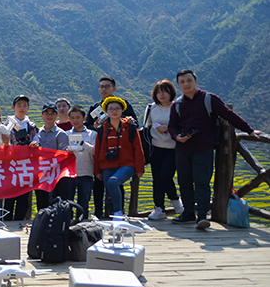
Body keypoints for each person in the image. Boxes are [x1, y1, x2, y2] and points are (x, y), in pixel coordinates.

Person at [169, 69, 263, 228]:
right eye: (182, 82)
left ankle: (202, 216)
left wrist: (249, 130)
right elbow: (172, 126)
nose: (186, 84)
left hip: (203, 148)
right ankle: (188, 213)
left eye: (189, 80)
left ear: (196, 81)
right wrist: (177, 136)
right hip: (182, 149)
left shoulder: (209, 99)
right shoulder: (177, 104)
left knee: (202, 182)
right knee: (184, 182)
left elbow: (229, 115)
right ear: (178, 85)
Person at [86, 76, 137, 218]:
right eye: (101, 86)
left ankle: (117, 212)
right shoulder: (94, 108)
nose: (103, 89)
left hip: (121, 154)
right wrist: (94, 127)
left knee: (116, 183)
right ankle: (98, 213)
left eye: (106, 86)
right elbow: (87, 127)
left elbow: (135, 123)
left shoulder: (123, 104)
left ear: (114, 88)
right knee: (99, 184)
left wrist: (129, 121)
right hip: (102, 151)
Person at [94, 97, 145, 217]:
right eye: (111, 109)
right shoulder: (102, 130)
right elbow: (97, 151)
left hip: (127, 164)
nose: (114, 111)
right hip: (107, 164)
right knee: (109, 194)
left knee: (112, 183)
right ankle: (114, 218)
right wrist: (97, 171)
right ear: (107, 111)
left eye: (117, 108)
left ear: (122, 110)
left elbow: (138, 149)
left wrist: (139, 168)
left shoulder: (131, 128)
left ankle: (118, 213)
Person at [145, 80, 184, 220]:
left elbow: (183, 126)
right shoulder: (151, 108)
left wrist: (168, 128)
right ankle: (159, 208)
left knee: (165, 176)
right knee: (157, 179)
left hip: (173, 148)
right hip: (156, 148)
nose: (162, 94)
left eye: (165, 91)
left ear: (171, 93)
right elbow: (148, 125)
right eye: (158, 92)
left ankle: (176, 202)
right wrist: (158, 126)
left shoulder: (177, 107)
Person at [3, 95, 38, 220]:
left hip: (25, 167)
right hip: (9, 167)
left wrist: (34, 145)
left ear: (28, 108)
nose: (22, 108)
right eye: (19, 105)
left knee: (23, 200)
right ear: (13, 107)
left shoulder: (32, 126)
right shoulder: (6, 125)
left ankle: (19, 222)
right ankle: (6, 223)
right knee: (8, 199)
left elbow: (37, 142)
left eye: (24, 105)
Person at [32, 102, 70, 208]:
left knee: (58, 203)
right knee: (41, 202)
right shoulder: (38, 133)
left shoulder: (61, 134)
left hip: (57, 174)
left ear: (56, 115)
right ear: (42, 115)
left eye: (52, 113)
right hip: (41, 174)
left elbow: (62, 155)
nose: (49, 116)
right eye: (46, 113)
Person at [65, 106, 97, 217]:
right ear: (69, 119)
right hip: (69, 174)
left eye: (78, 117)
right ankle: (67, 227)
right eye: (72, 118)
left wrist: (83, 143)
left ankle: (82, 227)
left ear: (84, 118)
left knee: (84, 203)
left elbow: (95, 152)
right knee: (68, 203)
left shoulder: (92, 134)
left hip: (86, 174)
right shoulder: (65, 134)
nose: (75, 120)